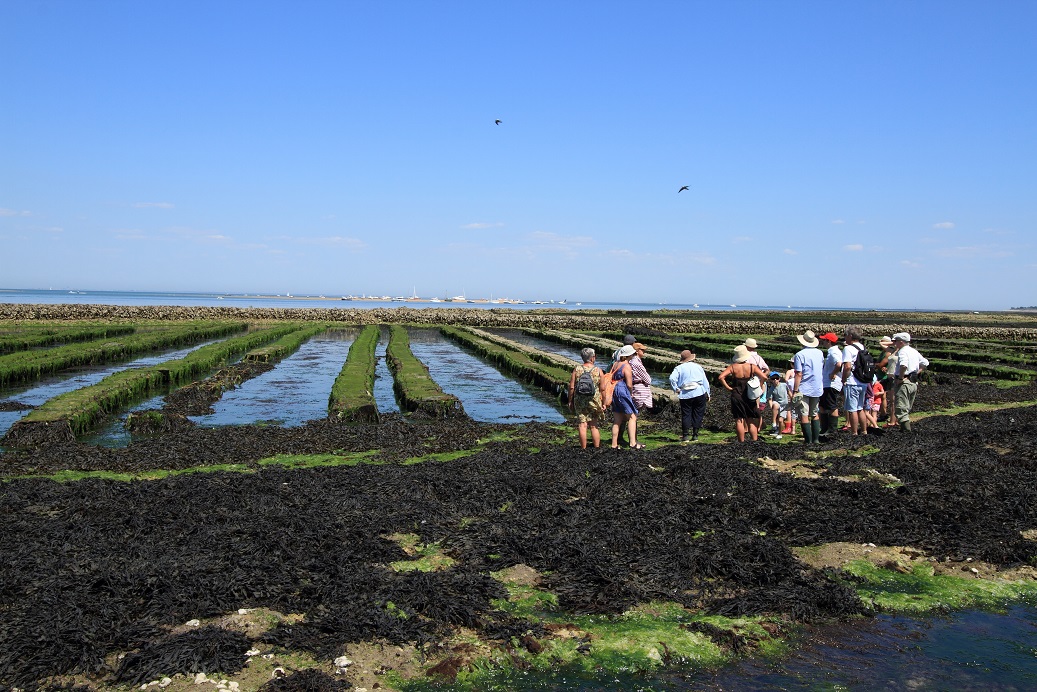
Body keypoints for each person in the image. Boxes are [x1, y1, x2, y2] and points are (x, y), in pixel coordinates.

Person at [719, 344, 769, 442]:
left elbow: (721, 377)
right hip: (749, 395)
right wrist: (759, 385)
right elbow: (764, 377)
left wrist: (728, 388)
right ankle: (754, 440)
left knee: (739, 420)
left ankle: (741, 442)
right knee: (750, 419)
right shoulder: (752, 366)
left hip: (737, 394)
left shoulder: (733, 367)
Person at [669, 348, 710, 443]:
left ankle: (685, 436)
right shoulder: (698, 367)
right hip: (699, 392)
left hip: (685, 394)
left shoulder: (678, 368)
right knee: (698, 413)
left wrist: (676, 389)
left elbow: (671, 378)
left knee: (686, 414)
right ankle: (695, 435)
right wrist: (708, 392)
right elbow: (705, 381)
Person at [791, 330, 825, 444]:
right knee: (814, 413)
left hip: (805, 387)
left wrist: (795, 390)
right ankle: (816, 439)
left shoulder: (800, 355)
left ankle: (808, 440)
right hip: (817, 387)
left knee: (804, 414)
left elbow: (798, 374)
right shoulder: (819, 353)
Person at [568, 347, 603, 449]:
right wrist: (604, 402)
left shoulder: (577, 369)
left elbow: (571, 387)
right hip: (594, 400)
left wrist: (570, 400)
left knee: (582, 425)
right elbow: (603, 389)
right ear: (592, 358)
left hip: (580, 400)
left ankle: (583, 449)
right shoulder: (598, 370)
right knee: (593, 425)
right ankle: (596, 447)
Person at [609, 345, 643, 449]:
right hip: (622, 390)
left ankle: (614, 444)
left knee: (617, 419)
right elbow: (629, 384)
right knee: (632, 417)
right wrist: (631, 393)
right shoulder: (626, 366)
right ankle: (633, 443)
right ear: (629, 355)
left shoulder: (615, 364)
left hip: (614, 390)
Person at [891, 332, 925, 432]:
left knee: (901, 408)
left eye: (896, 341)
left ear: (901, 342)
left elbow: (904, 365)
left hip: (904, 382)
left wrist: (901, 378)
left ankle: (906, 431)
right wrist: (915, 373)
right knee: (906, 407)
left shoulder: (902, 352)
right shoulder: (913, 351)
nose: (894, 344)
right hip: (913, 381)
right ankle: (905, 430)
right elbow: (925, 363)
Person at [839, 326, 870, 436]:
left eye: (845, 335)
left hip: (852, 381)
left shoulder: (848, 349)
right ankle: (864, 431)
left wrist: (843, 380)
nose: (844, 337)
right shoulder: (863, 347)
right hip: (863, 382)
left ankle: (854, 432)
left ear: (850, 336)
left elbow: (847, 367)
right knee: (860, 408)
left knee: (852, 409)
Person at [818, 332, 843, 438]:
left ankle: (832, 429)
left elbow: (839, 364)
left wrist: (833, 373)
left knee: (831, 406)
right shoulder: (831, 352)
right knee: (823, 406)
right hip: (827, 383)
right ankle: (824, 427)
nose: (822, 342)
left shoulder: (834, 352)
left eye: (824, 340)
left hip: (832, 383)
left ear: (829, 341)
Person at [875, 336, 896, 423]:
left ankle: (883, 414)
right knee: (882, 396)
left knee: (882, 396)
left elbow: (880, 365)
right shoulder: (885, 352)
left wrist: (874, 365)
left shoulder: (888, 352)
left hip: (884, 377)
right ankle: (883, 413)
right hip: (881, 375)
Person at [629, 343, 654, 412]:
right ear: (637, 351)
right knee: (636, 412)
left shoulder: (631, 361)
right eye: (642, 350)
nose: (644, 351)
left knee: (634, 411)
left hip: (635, 388)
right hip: (639, 389)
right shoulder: (636, 363)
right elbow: (648, 380)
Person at [766, 371, 791, 438]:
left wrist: (792, 398)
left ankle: (779, 433)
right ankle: (773, 423)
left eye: (776, 378)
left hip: (784, 405)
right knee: (775, 404)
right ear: (770, 380)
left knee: (780, 420)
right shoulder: (771, 388)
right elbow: (770, 399)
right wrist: (772, 407)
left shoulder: (784, 385)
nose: (775, 380)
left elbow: (789, 392)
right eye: (773, 379)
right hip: (777, 405)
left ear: (779, 379)